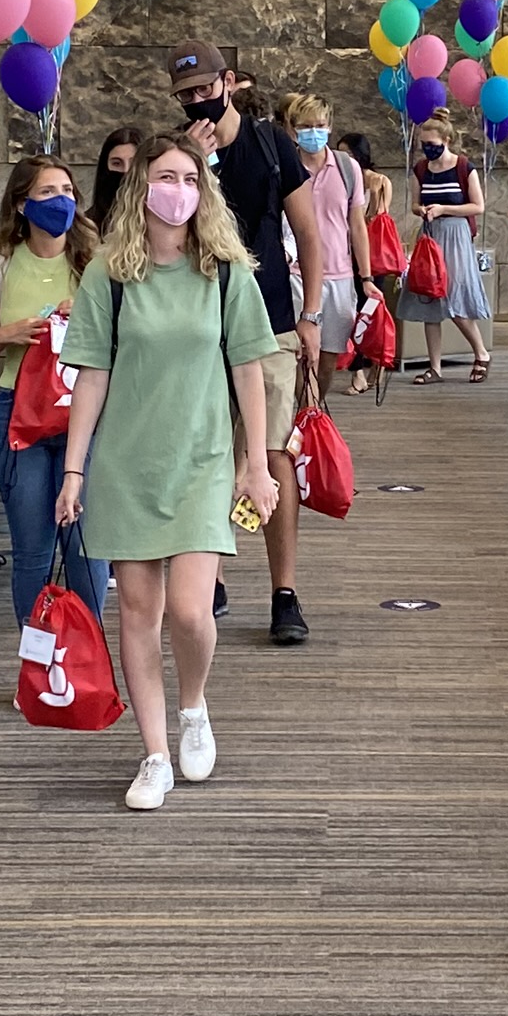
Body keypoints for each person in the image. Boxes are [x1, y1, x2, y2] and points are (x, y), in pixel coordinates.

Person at [57, 135, 280, 811]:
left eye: (189, 176)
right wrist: (74, 470)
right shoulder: (108, 276)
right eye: (164, 176)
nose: (177, 188)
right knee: (136, 612)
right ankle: (153, 753)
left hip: (203, 461)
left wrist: (259, 467)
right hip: (128, 464)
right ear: (140, 189)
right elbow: (90, 378)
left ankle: (194, 706)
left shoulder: (227, 272)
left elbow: (250, 372)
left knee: (189, 609)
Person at [167, 39, 325, 646]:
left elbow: (308, 232)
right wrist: (194, 170)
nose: (197, 104)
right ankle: (211, 574)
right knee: (205, 449)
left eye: (205, 91)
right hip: (200, 324)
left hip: (272, 321)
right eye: (185, 97)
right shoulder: (181, 152)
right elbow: (167, 231)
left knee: (273, 451)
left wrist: (312, 314)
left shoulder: (270, 143)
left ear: (228, 82)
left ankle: (284, 591)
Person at [0, 154, 108, 626]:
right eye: (47, 193)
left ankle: (89, 663)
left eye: (67, 191)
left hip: (83, 414)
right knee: (33, 551)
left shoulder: (96, 264)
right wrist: (8, 334)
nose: (60, 200)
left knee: (85, 546)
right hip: (20, 415)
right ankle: (38, 664)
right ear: (22, 205)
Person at [285, 93, 381, 398]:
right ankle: (300, 425)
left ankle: (310, 417)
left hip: (338, 277)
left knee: (328, 361)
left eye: (319, 125)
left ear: (330, 126)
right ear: (293, 128)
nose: (313, 132)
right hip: (297, 275)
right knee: (301, 359)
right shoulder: (286, 166)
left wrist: (365, 277)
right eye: (305, 126)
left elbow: (356, 225)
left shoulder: (346, 167)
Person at [396, 112, 492, 385]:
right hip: (431, 234)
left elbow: (478, 206)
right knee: (431, 297)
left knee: (454, 295)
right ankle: (434, 366)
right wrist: (423, 210)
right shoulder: (421, 169)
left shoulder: (464, 167)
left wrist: (444, 209)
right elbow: (414, 203)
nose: (428, 149)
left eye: (433, 143)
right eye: (424, 144)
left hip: (456, 232)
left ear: (447, 140)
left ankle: (480, 352)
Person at [339, 131, 402, 394]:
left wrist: (374, 193)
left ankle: (375, 363)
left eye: (349, 154)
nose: (343, 159)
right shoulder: (339, 178)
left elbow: (378, 220)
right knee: (350, 315)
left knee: (370, 312)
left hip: (370, 259)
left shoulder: (378, 181)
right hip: (343, 255)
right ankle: (357, 370)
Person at [88, 125, 143, 234]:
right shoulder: (88, 226)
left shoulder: (157, 223)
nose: (126, 170)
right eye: (117, 163)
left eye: (133, 163)